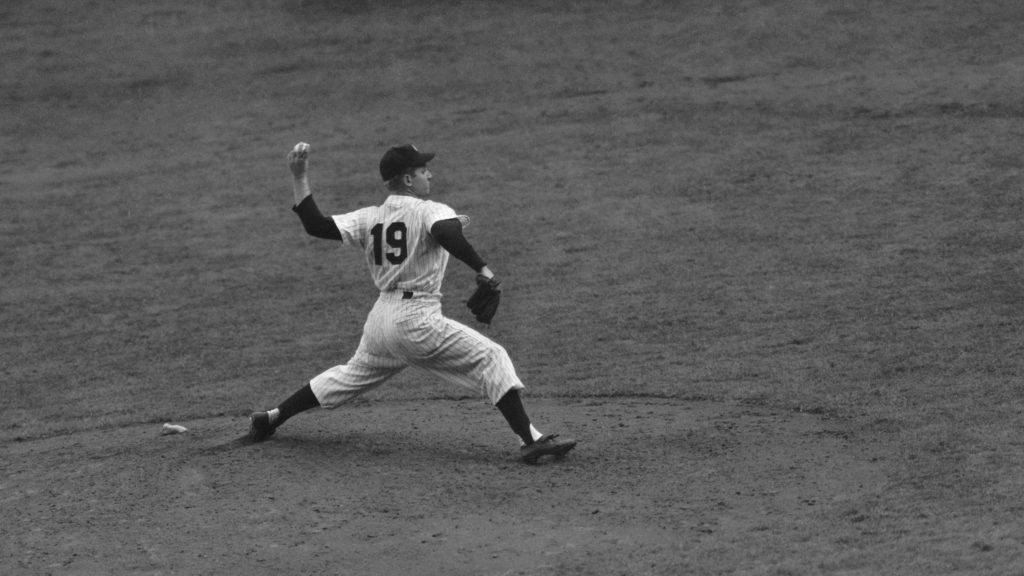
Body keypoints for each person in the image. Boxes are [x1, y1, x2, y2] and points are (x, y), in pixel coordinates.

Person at [246, 142, 578, 464]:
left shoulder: (370, 217)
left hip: (381, 321)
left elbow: (315, 224)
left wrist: (299, 175)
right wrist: (484, 269)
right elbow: (446, 233)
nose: (429, 175)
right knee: (492, 356)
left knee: (349, 376)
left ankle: (272, 417)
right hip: (416, 319)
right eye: (423, 170)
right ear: (408, 179)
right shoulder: (431, 210)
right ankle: (530, 441)